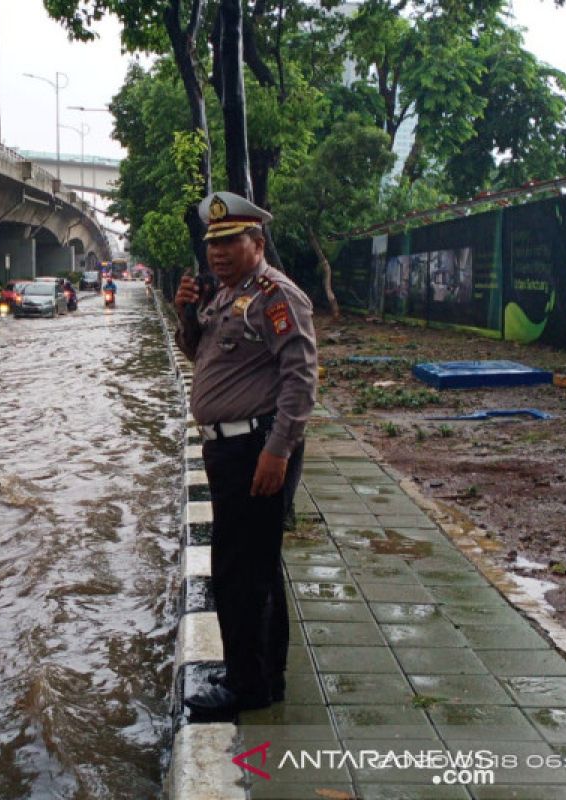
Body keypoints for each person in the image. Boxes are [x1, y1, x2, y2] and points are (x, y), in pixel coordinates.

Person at [174, 192, 318, 716]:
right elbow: (204, 358)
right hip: (228, 449)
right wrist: (186, 315)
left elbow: (300, 380)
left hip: (256, 446)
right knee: (250, 565)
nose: (218, 252)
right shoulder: (226, 295)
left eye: (230, 241)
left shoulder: (275, 296)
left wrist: (277, 452)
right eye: (213, 243)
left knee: (241, 567)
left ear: (256, 243)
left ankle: (247, 686)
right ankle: (257, 674)